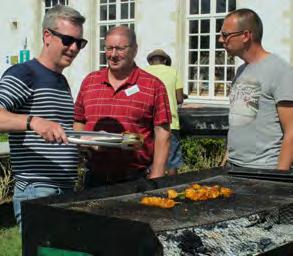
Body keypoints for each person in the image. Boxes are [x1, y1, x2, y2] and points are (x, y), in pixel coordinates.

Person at [0, 5, 87, 224]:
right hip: (37, 191)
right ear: (47, 36)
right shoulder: (24, 73)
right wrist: (33, 122)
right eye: (68, 40)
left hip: (63, 189)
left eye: (80, 43)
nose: (74, 48)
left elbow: (59, 132)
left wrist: (84, 143)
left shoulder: (60, 80)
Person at [74, 26, 171, 186]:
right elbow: (78, 121)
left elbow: (163, 134)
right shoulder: (90, 81)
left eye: (120, 49)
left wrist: (157, 177)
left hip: (134, 179)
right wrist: (83, 143)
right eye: (109, 48)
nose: (113, 55)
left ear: (134, 50)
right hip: (93, 178)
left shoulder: (153, 86)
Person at [219, 8, 293, 171]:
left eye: (225, 35)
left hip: (265, 169)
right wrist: (227, 157)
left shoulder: (280, 71)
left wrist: (278, 178)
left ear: (245, 35)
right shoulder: (241, 71)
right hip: (234, 166)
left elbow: (291, 130)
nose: (220, 40)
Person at [145, 49, 184, 175]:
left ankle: (150, 190)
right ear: (165, 61)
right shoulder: (173, 72)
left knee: (150, 161)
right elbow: (179, 99)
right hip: (170, 122)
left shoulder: (143, 72)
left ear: (151, 61)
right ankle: (173, 188)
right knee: (172, 161)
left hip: (148, 123)